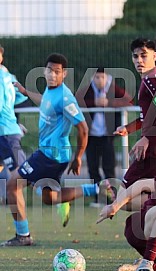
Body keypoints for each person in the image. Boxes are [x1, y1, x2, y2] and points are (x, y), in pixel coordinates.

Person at [0, 53, 107, 246]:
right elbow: (44, 101)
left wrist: (79, 157)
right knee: (49, 198)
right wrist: (25, 91)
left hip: (50, 155)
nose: (52, 75)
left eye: (57, 72)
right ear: (44, 71)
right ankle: (96, 188)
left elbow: (83, 128)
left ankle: (23, 236)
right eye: (50, 70)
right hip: (52, 155)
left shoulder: (66, 98)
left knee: (12, 185)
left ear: (64, 74)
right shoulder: (51, 91)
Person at [113, 38, 156, 210]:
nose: (139, 60)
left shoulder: (152, 80)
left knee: (122, 199)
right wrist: (128, 129)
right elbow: (151, 115)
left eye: (144, 55)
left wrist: (146, 138)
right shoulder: (153, 79)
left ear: (155, 56)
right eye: (135, 56)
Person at [75, 67, 133, 205]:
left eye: (102, 77)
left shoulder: (113, 89)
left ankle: (112, 199)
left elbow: (129, 101)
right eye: (96, 77)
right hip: (91, 136)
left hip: (107, 136)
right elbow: (76, 100)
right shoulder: (87, 90)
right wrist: (94, 103)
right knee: (92, 168)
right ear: (92, 78)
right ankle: (98, 198)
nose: (99, 80)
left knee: (109, 168)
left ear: (107, 77)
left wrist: (109, 103)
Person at [0, 44, 27, 203]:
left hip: (6, 133)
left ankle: (56, 195)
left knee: (24, 174)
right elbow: (19, 97)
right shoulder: (7, 75)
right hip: (7, 130)